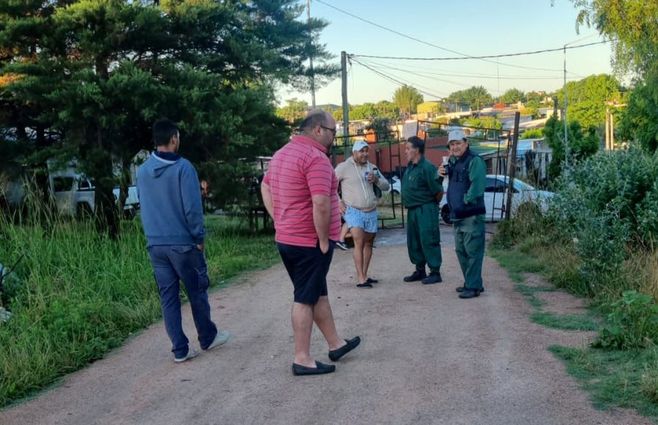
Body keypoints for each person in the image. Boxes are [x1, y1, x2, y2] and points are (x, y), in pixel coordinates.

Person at [261, 109, 361, 376]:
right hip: (308, 243)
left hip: (288, 239)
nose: (333, 137)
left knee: (317, 293)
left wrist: (278, 219)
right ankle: (302, 358)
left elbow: (265, 186)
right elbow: (321, 203)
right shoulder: (315, 158)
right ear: (318, 130)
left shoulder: (282, 154)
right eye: (332, 132)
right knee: (304, 298)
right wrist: (323, 240)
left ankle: (335, 343)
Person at [137, 119, 230, 363]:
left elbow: (144, 207)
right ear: (174, 139)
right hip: (183, 243)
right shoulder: (184, 168)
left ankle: (180, 349)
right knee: (196, 291)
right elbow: (192, 208)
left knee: (168, 297)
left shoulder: (143, 171)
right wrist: (199, 237)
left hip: (156, 245)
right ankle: (207, 337)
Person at [335, 140, 390, 288]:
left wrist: (376, 179)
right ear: (354, 152)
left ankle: (364, 275)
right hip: (353, 210)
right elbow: (329, 184)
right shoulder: (344, 167)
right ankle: (360, 279)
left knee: (368, 243)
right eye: (362, 151)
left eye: (366, 151)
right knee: (358, 242)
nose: (365, 154)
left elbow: (386, 186)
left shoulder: (372, 168)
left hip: (370, 210)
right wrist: (338, 201)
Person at [439, 129, 486, 299]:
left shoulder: (475, 161)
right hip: (458, 215)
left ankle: (473, 287)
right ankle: (472, 283)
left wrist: (465, 200)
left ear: (466, 143)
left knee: (473, 251)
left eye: (458, 143)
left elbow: (478, 186)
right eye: (452, 144)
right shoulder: (453, 162)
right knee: (461, 251)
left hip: (471, 215)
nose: (455, 147)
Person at [401, 136, 444, 284]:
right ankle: (420, 270)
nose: (405, 151)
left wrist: (431, 206)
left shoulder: (427, 167)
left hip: (425, 209)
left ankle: (435, 272)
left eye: (408, 148)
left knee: (429, 239)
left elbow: (438, 190)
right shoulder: (410, 167)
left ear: (417, 150)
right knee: (414, 241)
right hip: (412, 210)